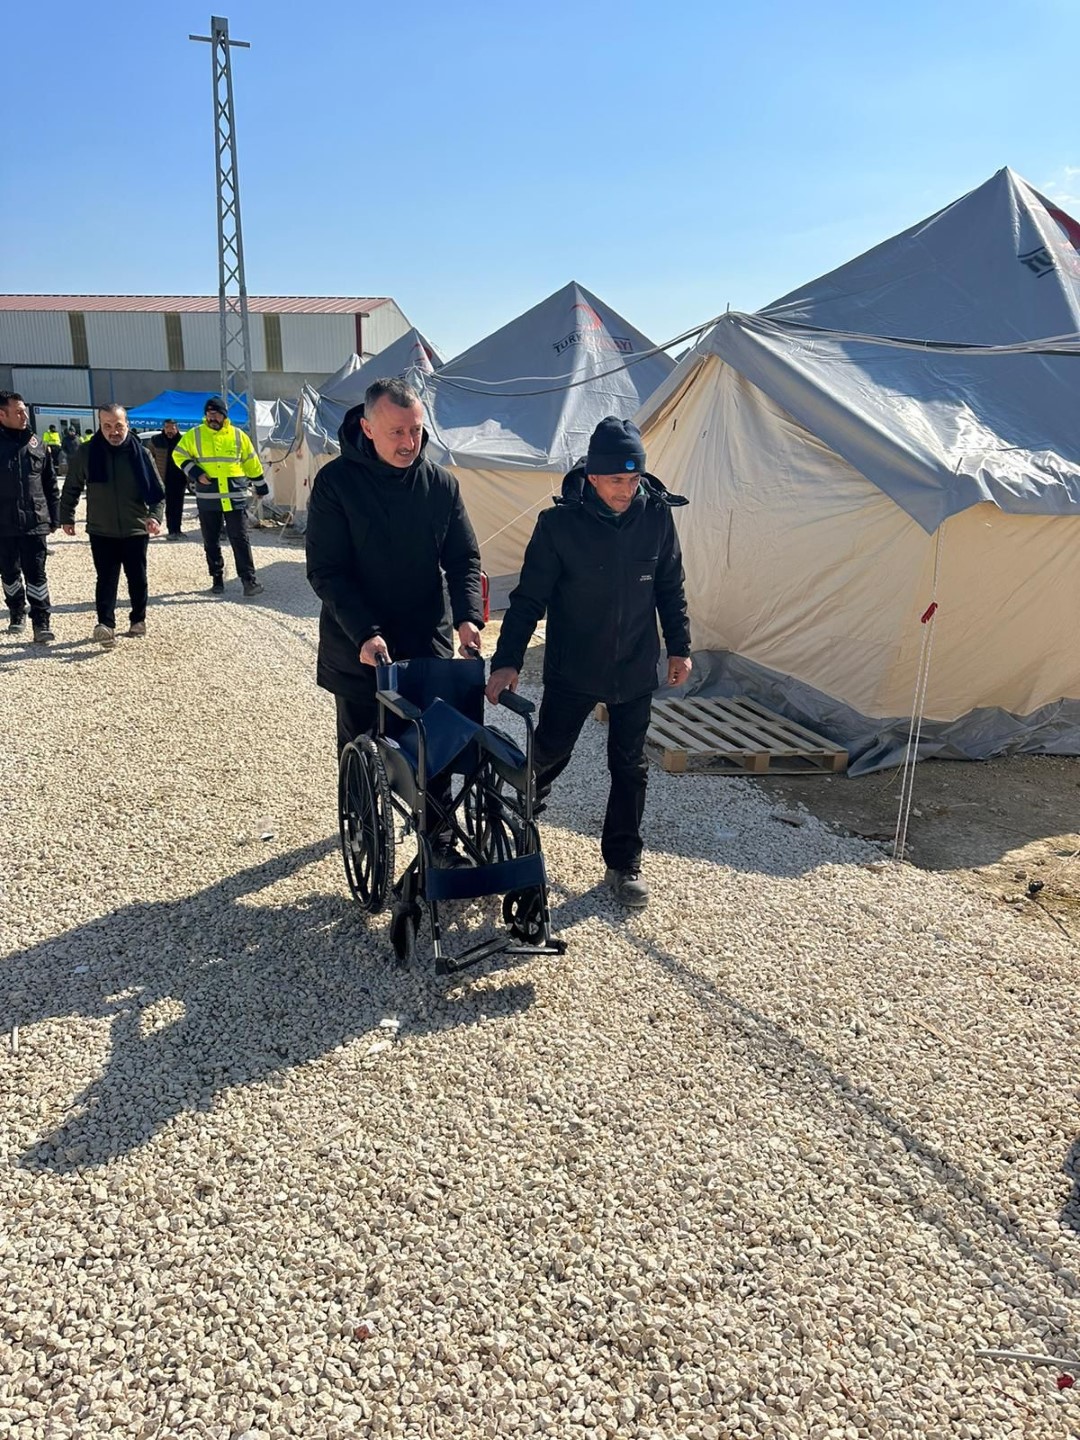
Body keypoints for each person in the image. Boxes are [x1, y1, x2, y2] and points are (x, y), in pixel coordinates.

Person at [485, 417, 692, 910]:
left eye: (634, 478)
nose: (626, 489)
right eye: (616, 479)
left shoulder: (656, 516)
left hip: (634, 668)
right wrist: (507, 660)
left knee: (630, 766)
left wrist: (679, 647)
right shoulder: (559, 525)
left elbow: (670, 587)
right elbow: (529, 599)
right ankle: (516, 815)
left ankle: (624, 863)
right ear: (593, 476)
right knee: (551, 752)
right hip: (574, 667)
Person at [306, 377, 484, 759]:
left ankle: (433, 805)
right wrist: (365, 633)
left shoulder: (440, 484)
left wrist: (468, 618)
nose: (409, 443)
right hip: (358, 648)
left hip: (425, 646)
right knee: (364, 761)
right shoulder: (335, 483)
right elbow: (326, 570)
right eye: (397, 432)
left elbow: (463, 559)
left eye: (416, 430)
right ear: (368, 428)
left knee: (432, 758)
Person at [60, 404, 164, 647]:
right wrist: (66, 516)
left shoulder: (141, 454)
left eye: (118, 425)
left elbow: (157, 493)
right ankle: (106, 625)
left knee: (137, 578)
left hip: (135, 528)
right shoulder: (87, 452)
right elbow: (72, 486)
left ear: (127, 424)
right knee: (106, 578)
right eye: (107, 426)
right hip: (101, 528)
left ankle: (138, 619)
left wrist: (154, 517)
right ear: (100, 426)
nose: (113, 431)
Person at [173, 397, 270, 596]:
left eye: (216, 414)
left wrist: (260, 485)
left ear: (224, 415)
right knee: (211, 540)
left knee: (240, 538)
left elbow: (251, 461)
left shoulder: (238, 435)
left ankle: (248, 581)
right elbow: (178, 454)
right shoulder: (195, 434)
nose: (212, 418)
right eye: (209, 414)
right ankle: (217, 578)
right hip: (208, 498)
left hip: (235, 497)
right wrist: (196, 473)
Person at [0, 391, 59, 643]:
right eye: (18, 412)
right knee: (9, 572)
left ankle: (41, 621)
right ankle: (16, 612)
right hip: (3, 524)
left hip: (34, 521)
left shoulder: (38, 444)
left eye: (24, 411)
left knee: (36, 573)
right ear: (2, 415)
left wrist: (54, 517)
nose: (24, 416)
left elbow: (50, 484)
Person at [148, 419, 187, 539]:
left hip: (180, 478)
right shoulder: (156, 440)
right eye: (167, 427)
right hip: (162, 479)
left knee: (178, 505)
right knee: (165, 505)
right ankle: (170, 530)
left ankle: (177, 530)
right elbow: (149, 457)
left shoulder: (183, 440)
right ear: (163, 428)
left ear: (177, 428)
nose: (169, 430)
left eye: (172, 428)